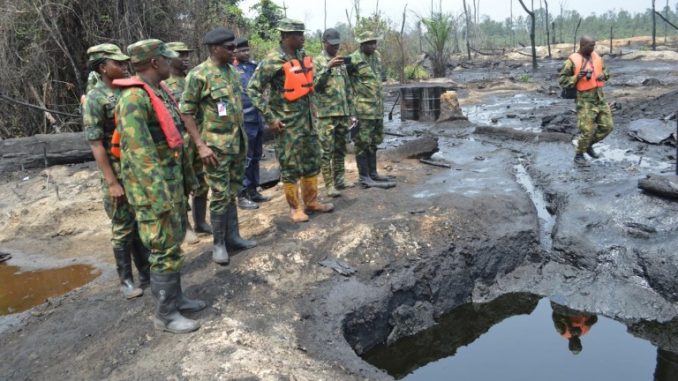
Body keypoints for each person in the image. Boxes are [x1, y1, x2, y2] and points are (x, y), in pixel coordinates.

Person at [115, 39, 206, 334]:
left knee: (173, 245)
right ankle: (165, 315)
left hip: (170, 185)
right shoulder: (133, 99)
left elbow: (174, 140)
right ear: (155, 62)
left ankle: (177, 298)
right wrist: (160, 197)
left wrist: (185, 181)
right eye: (167, 59)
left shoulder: (160, 92)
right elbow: (139, 155)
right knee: (163, 250)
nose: (172, 63)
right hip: (155, 192)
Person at [180, 28, 257, 265]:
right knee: (220, 195)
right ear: (215, 49)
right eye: (230, 47)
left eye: (235, 47)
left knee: (232, 191)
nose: (234, 50)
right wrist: (200, 145)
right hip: (215, 148)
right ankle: (219, 244)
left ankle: (234, 237)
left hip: (236, 143)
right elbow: (186, 112)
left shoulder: (232, 72)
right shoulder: (199, 75)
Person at [247, 18, 334, 223]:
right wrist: (270, 118)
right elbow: (253, 89)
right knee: (290, 166)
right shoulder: (273, 60)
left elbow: (310, 87)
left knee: (312, 162)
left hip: (308, 123)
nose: (303, 38)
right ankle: (295, 208)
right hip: (287, 125)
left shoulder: (302, 56)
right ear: (286, 37)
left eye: (303, 33)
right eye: (299, 34)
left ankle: (311, 201)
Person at [82, 43, 149, 299]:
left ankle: (146, 271)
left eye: (124, 63)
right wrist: (112, 182)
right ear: (102, 68)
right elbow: (96, 143)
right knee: (122, 226)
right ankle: (126, 280)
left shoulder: (128, 90)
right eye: (117, 63)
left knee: (139, 220)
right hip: (116, 172)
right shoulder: (96, 98)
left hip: (136, 168)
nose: (123, 66)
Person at [164, 41, 212, 243]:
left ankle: (200, 221)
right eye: (180, 55)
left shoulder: (192, 78)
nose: (185, 59)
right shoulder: (165, 84)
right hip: (180, 140)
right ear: (169, 58)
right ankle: (186, 227)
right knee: (182, 184)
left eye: (187, 55)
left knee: (202, 180)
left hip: (199, 136)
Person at [346, 31, 395, 189]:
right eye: (369, 43)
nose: (373, 46)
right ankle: (364, 177)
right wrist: (351, 112)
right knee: (362, 143)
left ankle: (373, 174)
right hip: (362, 110)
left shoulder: (377, 57)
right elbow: (347, 86)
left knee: (374, 142)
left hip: (377, 108)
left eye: (374, 42)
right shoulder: (353, 59)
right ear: (362, 44)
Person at [312, 28, 356, 198]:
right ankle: (329, 185)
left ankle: (340, 179)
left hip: (342, 113)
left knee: (340, 148)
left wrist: (351, 112)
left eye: (337, 45)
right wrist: (328, 68)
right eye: (332, 45)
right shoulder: (318, 62)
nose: (335, 48)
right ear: (324, 43)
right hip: (325, 114)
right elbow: (315, 86)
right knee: (325, 151)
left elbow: (347, 88)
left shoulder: (341, 61)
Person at [559, 36, 613, 166]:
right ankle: (579, 155)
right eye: (590, 46)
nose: (593, 48)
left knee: (607, 126)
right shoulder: (571, 61)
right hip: (584, 100)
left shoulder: (596, 57)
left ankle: (588, 145)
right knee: (587, 130)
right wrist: (577, 77)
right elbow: (562, 80)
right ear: (582, 45)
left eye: (594, 45)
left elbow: (606, 71)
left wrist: (603, 75)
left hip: (599, 98)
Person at [233, 37, 271, 207]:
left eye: (247, 50)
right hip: (243, 121)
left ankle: (254, 190)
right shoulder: (231, 70)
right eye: (242, 51)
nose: (246, 53)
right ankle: (242, 194)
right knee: (244, 159)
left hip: (257, 118)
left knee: (256, 156)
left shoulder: (253, 67)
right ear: (235, 52)